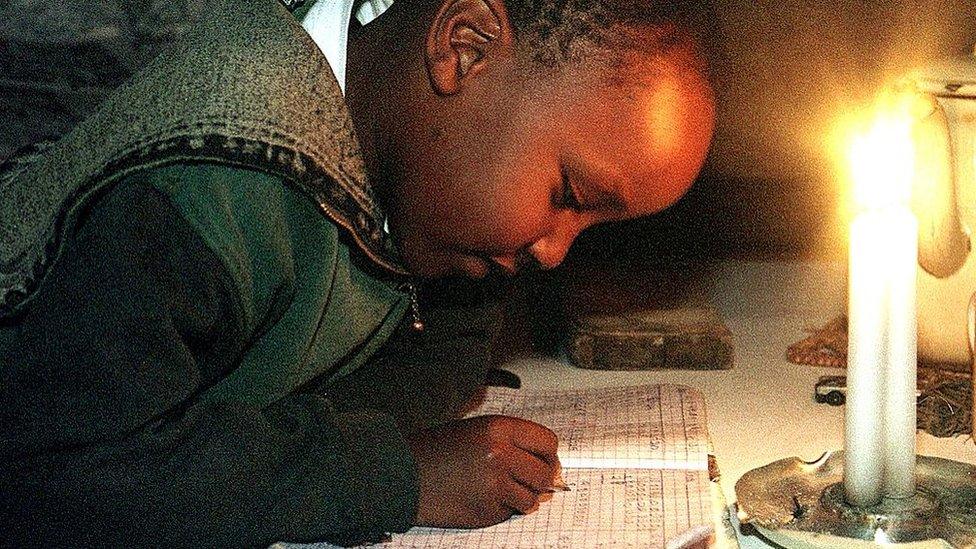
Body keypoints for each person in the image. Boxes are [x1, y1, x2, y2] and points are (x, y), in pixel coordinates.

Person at [0, 0, 715, 545]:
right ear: (464, 47)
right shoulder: (219, 177)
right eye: (569, 195)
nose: (555, 251)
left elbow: (447, 350)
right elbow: (64, 472)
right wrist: (391, 473)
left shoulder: (429, 188)